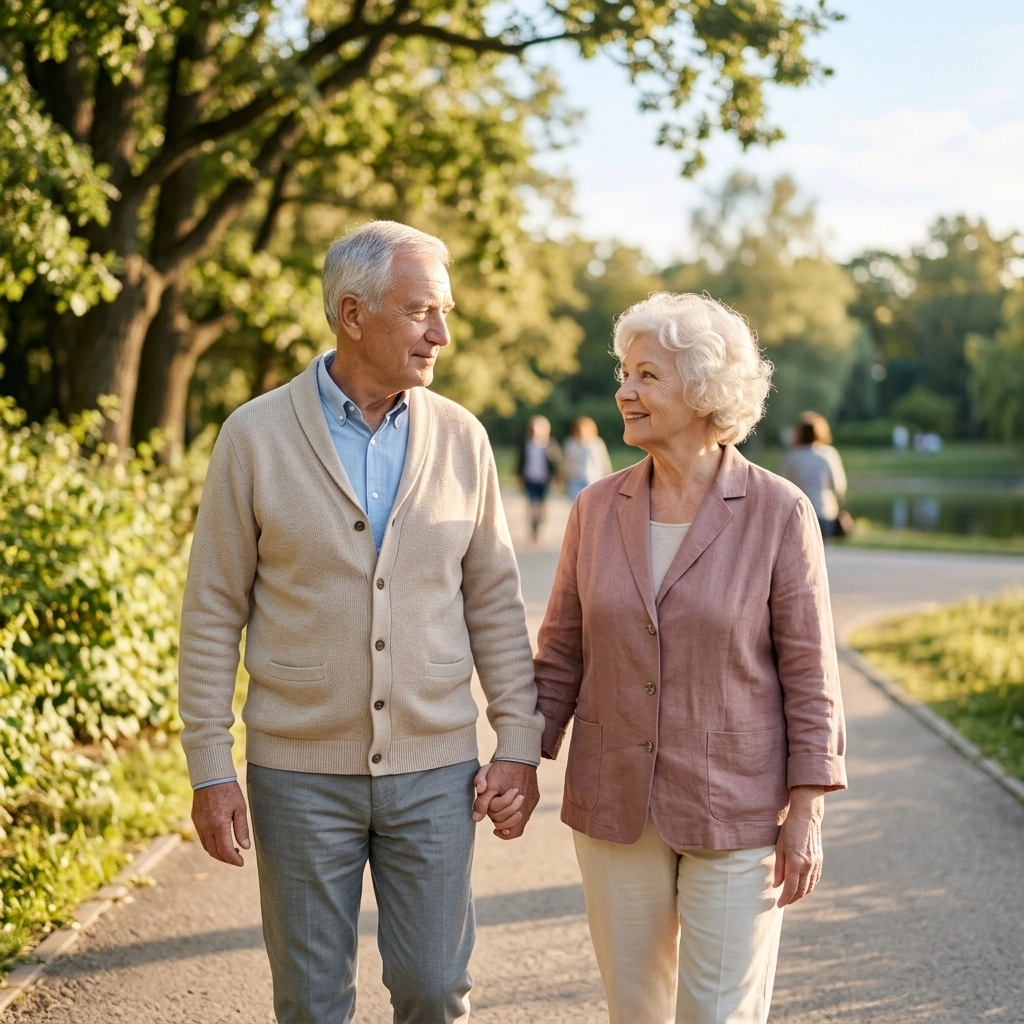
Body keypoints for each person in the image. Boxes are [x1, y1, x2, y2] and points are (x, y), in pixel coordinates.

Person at [178, 221, 544, 1024]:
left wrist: (519, 741)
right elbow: (212, 608)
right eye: (420, 313)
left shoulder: (463, 439)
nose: (440, 335)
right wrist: (210, 764)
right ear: (352, 313)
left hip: (436, 772)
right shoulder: (254, 436)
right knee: (309, 1003)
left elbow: (493, 600)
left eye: (442, 312)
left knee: (432, 989)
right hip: (300, 775)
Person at [531, 292, 847, 1024]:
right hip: (614, 804)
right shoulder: (594, 508)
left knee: (720, 1016)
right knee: (635, 1013)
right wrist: (520, 759)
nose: (624, 391)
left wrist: (807, 810)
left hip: (737, 807)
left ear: (705, 391)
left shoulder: (780, 511)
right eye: (625, 373)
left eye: (647, 376)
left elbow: (810, 676)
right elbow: (560, 656)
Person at [781, 411, 848, 539]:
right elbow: (838, 487)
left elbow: (784, 485)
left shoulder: (792, 456)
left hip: (798, 512)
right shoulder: (828, 454)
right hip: (824, 510)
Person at [517, 414, 560, 542]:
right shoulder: (527, 444)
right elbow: (520, 461)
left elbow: (555, 462)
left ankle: (540, 528)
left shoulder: (549, 444)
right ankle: (532, 529)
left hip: (544, 479)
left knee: (542, 506)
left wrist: (555, 476)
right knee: (532, 505)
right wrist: (519, 476)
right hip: (530, 478)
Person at [562, 415, 613, 501]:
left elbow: (604, 462)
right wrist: (563, 478)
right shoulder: (571, 444)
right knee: (577, 505)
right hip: (576, 479)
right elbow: (567, 462)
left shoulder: (597, 443)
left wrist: (608, 478)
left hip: (594, 479)